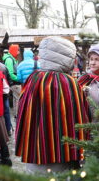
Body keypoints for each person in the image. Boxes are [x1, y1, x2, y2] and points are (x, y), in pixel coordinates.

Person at [15, 37, 91, 172]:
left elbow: (22, 110)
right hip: (63, 154)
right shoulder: (69, 82)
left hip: (35, 150)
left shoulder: (33, 78)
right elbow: (80, 116)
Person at [3, 44, 21, 119]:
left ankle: (16, 114)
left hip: (14, 83)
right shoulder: (9, 59)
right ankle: (17, 114)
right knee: (18, 98)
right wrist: (18, 79)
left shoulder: (11, 58)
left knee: (15, 98)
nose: (19, 52)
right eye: (18, 50)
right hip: (15, 83)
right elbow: (10, 73)